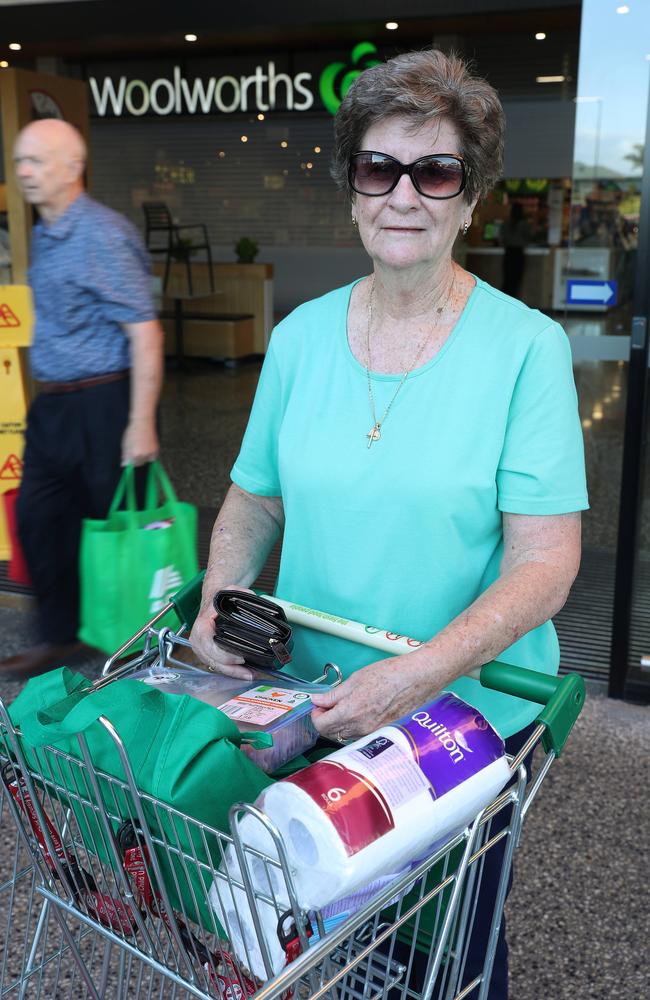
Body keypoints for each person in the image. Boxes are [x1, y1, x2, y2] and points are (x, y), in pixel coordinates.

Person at [190, 50, 588, 998]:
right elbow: (254, 497)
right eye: (379, 169)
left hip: (453, 725)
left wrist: (409, 679)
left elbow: (546, 560)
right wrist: (218, 604)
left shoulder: (526, 349)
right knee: (311, 948)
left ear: (469, 196)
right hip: (310, 700)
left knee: (442, 961)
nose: (403, 195)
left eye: (435, 171)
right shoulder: (298, 338)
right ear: (352, 187)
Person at [0, 118, 164, 680]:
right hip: (54, 407)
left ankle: (142, 648)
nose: (23, 171)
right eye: (19, 160)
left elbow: (145, 331)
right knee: (39, 518)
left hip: (105, 403)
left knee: (119, 529)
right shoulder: (45, 233)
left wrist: (140, 422)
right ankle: (61, 636)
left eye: (37, 161)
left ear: (71, 168)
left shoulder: (102, 234)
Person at [500, 200, 532, 297]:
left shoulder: (506, 223)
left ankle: (505, 299)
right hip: (518, 253)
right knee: (516, 280)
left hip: (508, 252)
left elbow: (502, 238)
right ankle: (513, 299)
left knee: (507, 279)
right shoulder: (524, 224)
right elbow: (529, 237)